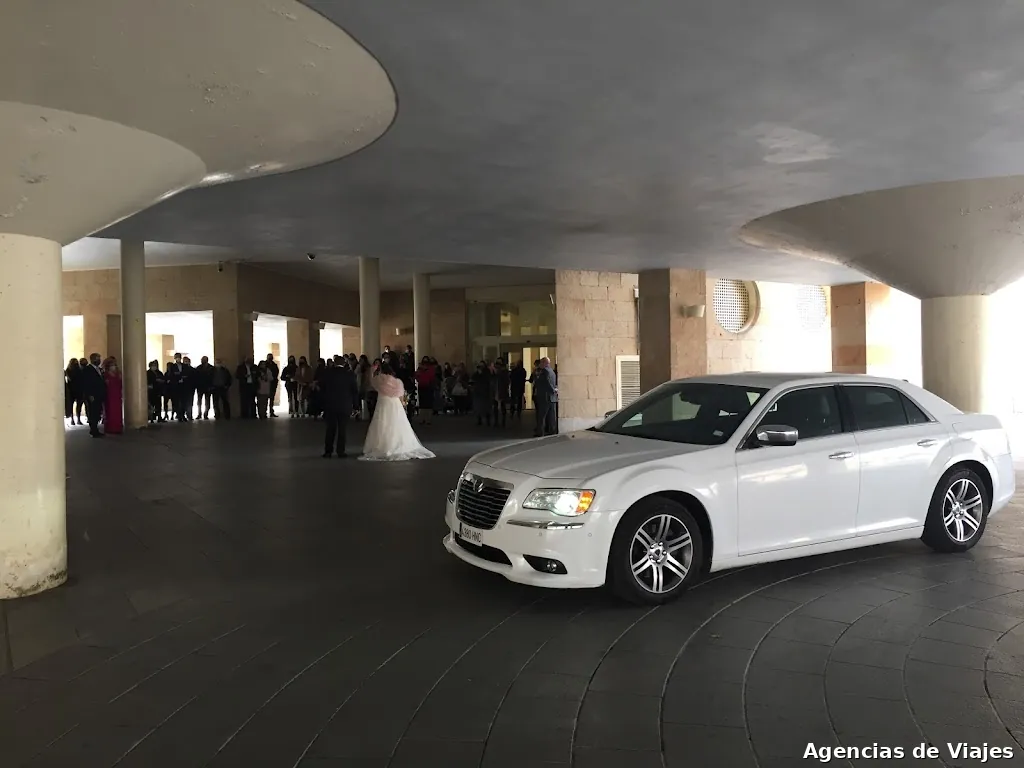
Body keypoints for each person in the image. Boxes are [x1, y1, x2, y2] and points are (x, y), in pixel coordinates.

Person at [361, 362, 435, 461]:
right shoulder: (397, 381)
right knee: (397, 424)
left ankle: (383, 446)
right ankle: (400, 444)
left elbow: (371, 382)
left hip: (384, 403)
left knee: (383, 424)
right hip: (396, 405)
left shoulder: (380, 379)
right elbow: (401, 396)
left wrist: (371, 371)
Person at [322, 356, 359, 458]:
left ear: (334, 363)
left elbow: (323, 389)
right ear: (344, 363)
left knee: (330, 429)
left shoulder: (328, 373)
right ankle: (341, 451)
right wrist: (356, 406)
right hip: (344, 405)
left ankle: (328, 451)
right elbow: (354, 391)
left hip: (330, 405)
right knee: (342, 429)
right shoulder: (349, 374)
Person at [81, 352, 107, 438]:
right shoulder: (87, 370)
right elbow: (86, 383)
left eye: (99, 359)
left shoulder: (99, 369)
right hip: (92, 395)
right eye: (97, 359)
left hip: (99, 394)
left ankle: (96, 429)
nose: (99, 360)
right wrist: (90, 394)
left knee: (97, 412)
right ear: (92, 360)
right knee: (92, 413)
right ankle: (93, 430)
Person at [532, 356, 558, 437]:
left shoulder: (544, 371)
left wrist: (552, 390)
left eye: (541, 362)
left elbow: (547, 383)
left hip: (545, 397)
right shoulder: (552, 371)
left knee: (541, 416)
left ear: (544, 363)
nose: (540, 364)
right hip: (552, 398)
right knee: (551, 416)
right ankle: (552, 431)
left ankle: (540, 432)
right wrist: (555, 390)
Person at [103, 358, 124, 434]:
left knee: (117, 411)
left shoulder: (118, 374)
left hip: (117, 395)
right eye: (112, 365)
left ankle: (118, 428)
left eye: (114, 365)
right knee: (110, 411)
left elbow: (121, 384)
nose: (113, 367)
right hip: (110, 395)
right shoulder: (106, 374)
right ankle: (111, 428)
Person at [415, 356, 436, 425]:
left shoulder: (431, 369)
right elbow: (416, 375)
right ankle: (422, 419)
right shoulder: (420, 369)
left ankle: (428, 419)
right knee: (422, 403)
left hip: (429, 387)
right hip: (421, 387)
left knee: (428, 404)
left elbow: (432, 377)